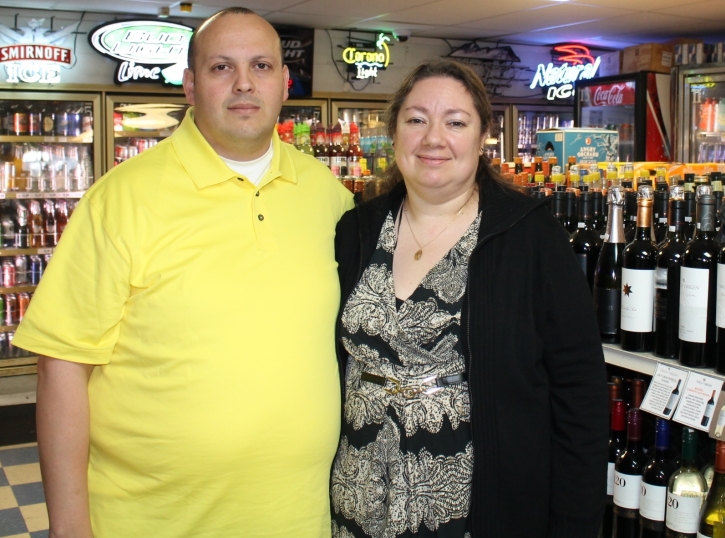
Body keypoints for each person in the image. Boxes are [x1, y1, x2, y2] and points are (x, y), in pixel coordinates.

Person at [14, 8, 352, 538]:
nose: (244, 83)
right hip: (149, 520)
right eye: (221, 67)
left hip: (298, 517)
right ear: (191, 86)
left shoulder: (328, 195)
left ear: (285, 85)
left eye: (261, 66)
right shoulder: (120, 200)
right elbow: (62, 366)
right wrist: (69, 525)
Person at [331, 59, 608, 538]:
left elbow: (580, 392)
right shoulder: (356, 229)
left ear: (482, 140)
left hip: (478, 507)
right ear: (394, 133)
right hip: (359, 495)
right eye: (416, 120)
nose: (433, 138)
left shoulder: (530, 235)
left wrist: (575, 523)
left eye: (455, 123)